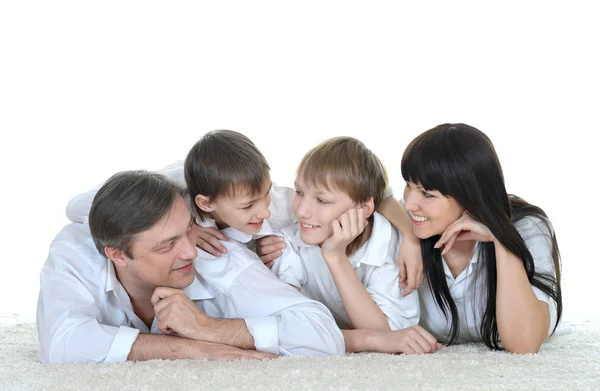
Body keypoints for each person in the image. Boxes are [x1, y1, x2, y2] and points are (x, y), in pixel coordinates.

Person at [37, 170, 345, 364]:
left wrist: (205, 327)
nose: (189, 251)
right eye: (167, 244)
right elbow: (62, 343)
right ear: (117, 255)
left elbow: (322, 334)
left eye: (188, 229)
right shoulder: (74, 250)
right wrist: (192, 348)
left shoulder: (216, 254)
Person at [260, 136, 439, 354]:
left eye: (322, 200)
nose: (302, 210)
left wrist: (335, 256)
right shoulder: (287, 236)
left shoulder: (388, 247)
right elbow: (291, 329)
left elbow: (388, 335)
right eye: (299, 192)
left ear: (364, 209)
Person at [401, 123, 563, 353]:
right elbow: (372, 191)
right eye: (408, 186)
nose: (409, 204)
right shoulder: (404, 221)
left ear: (470, 196)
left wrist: (501, 240)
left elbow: (524, 344)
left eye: (428, 194)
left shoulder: (528, 227)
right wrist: (408, 236)